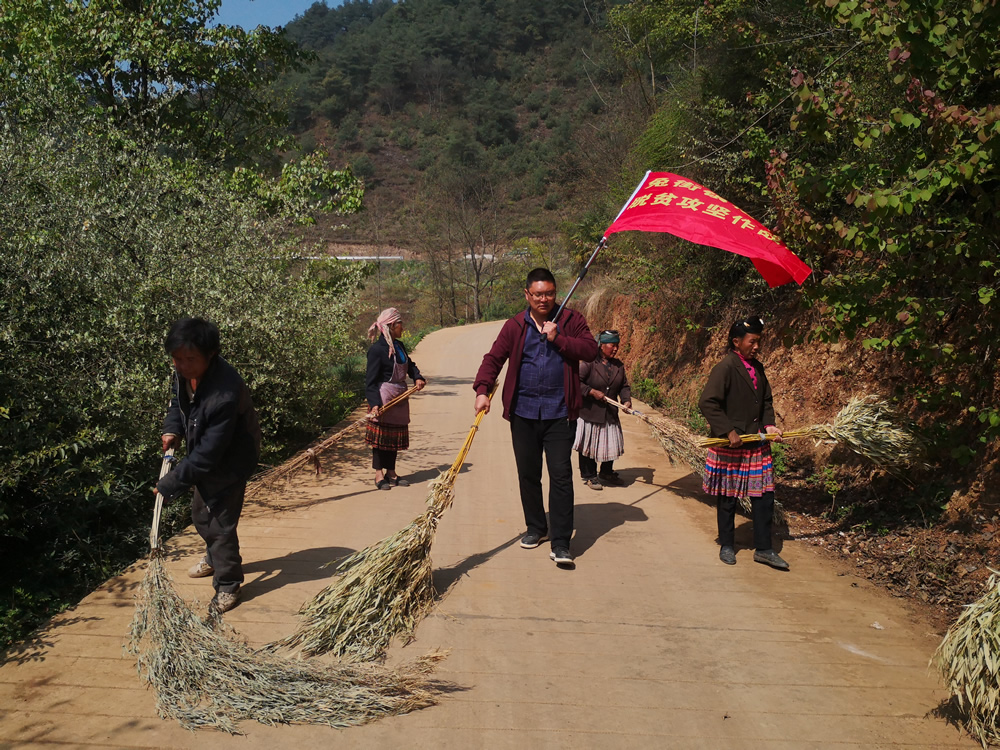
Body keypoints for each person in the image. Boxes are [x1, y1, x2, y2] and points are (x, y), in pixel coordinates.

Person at [473, 268, 599, 566]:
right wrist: (481, 389)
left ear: (556, 293)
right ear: (527, 295)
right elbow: (493, 358)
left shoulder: (570, 320)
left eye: (550, 293)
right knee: (528, 474)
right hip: (524, 413)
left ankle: (561, 541)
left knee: (561, 476)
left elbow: (590, 350)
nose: (545, 299)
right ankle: (536, 527)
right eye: (538, 294)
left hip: (559, 412)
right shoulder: (515, 325)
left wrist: (559, 339)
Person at [156, 317, 262, 613]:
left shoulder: (224, 393)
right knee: (201, 513)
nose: (182, 365)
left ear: (211, 354)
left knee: (219, 523)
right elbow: (177, 404)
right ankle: (216, 559)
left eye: (190, 359)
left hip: (231, 459)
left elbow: (209, 453)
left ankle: (228, 584)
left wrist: (170, 483)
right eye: (177, 359)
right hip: (206, 456)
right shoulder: (184, 372)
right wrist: (172, 429)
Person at [698, 316, 787, 570]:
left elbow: (766, 400)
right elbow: (708, 403)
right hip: (732, 445)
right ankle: (727, 544)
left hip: (756, 443)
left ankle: (764, 549)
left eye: (759, 341)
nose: (757, 346)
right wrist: (728, 431)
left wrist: (769, 425)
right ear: (737, 342)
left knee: (764, 497)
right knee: (728, 497)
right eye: (752, 341)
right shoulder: (725, 367)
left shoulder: (758, 368)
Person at [365, 308, 427, 490]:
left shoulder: (399, 346)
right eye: (400, 324)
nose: (402, 327)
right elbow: (371, 381)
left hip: (399, 399)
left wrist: (417, 377)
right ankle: (379, 474)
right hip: (383, 400)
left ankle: (391, 472)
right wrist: (374, 404)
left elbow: (410, 365)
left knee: (393, 439)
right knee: (380, 440)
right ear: (392, 326)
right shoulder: (376, 350)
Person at [574, 329, 632, 490]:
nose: (615, 349)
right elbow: (576, 382)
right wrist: (591, 392)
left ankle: (606, 472)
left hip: (610, 413)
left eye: (617, 346)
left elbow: (624, 386)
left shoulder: (618, 366)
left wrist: (626, 401)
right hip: (590, 413)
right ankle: (589, 475)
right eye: (612, 345)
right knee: (589, 446)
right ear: (601, 345)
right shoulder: (588, 363)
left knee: (610, 444)